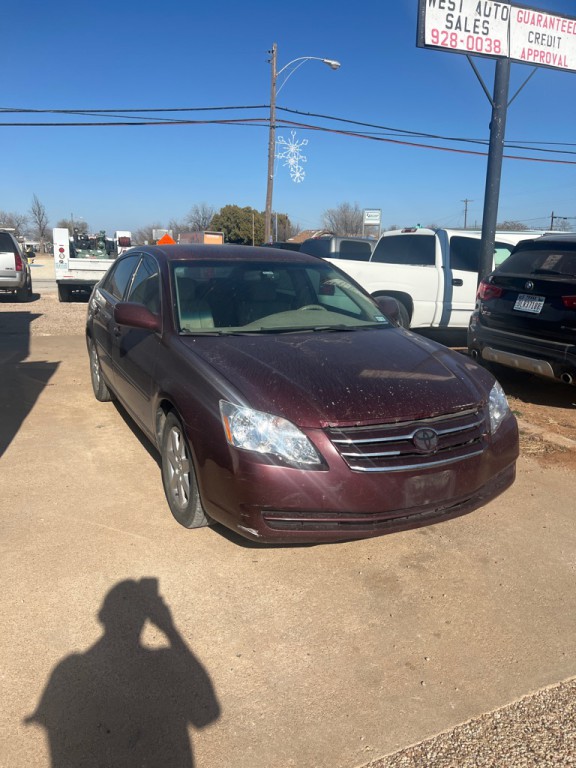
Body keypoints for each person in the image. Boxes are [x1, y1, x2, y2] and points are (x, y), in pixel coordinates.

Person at [25, 579, 220, 768]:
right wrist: (170, 630)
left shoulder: (69, 671)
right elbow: (207, 713)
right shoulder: (164, 663)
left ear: (102, 616)